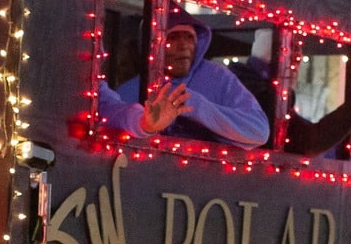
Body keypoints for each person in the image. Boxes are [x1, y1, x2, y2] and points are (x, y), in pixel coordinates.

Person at [98, 11, 270, 147]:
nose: (184, 45)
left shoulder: (217, 77)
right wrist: (145, 124)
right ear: (152, 46)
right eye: (172, 37)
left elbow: (258, 130)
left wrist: (195, 105)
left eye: (189, 37)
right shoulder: (130, 89)